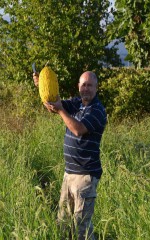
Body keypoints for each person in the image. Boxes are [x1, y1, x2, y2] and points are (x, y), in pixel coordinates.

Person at [33, 70, 107, 240]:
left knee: (82, 227)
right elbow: (54, 104)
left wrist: (60, 111)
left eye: (90, 85)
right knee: (63, 223)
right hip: (69, 174)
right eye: (83, 85)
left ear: (96, 88)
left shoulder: (97, 110)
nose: (86, 88)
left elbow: (78, 129)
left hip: (85, 176)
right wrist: (42, 85)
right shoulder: (77, 103)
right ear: (78, 86)